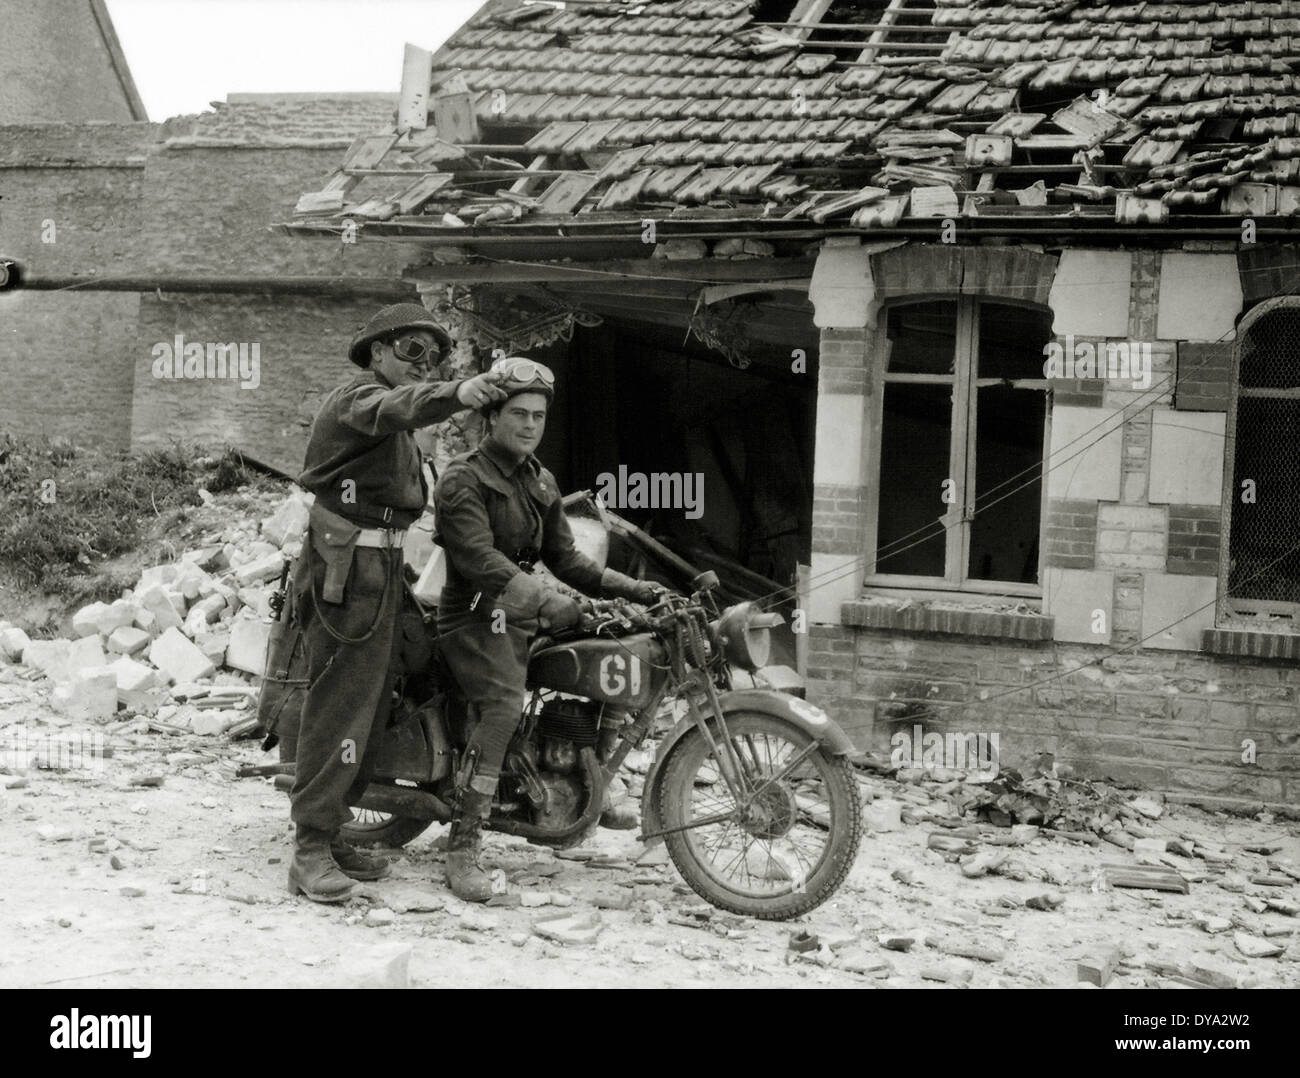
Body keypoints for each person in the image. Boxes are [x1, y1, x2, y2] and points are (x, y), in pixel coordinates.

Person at [284, 303, 507, 904]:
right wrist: (459, 390)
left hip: (380, 567)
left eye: (435, 356)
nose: (424, 364)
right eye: (412, 350)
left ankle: (331, 835)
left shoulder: (400, 429)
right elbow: (397, 406)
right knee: (341, 706)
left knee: (380, 698)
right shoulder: (357, 400)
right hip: (345, 572)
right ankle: (308, 851)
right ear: (377, 352)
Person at [433, 355, 660, 902]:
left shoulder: (539, 480)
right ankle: (463, 846)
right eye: (518, 413)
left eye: (538, 415)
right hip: (474, 614)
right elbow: (480, 561)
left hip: (521, 610)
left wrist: (630, 588)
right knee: (505, 706)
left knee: (606, 659)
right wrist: (549, 603)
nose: (531, 424)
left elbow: (567, 559)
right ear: (491, 418)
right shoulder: (463, 479)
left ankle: (588, 784)